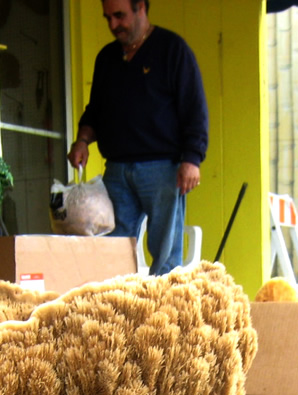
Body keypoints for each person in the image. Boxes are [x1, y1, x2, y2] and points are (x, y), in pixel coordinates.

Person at [67, 0, 208, 276]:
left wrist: (192, 159)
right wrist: (82, 140)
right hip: (117, 170)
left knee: (166, 255)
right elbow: (94, 112)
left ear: (141, 7)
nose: (113, 24)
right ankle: (115, 313)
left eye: (120, 16)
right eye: (107, 17)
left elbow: (195, 108)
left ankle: (162, 315)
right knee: (111, 251)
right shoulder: (106, 57)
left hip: (163, 168)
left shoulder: (172, 49)